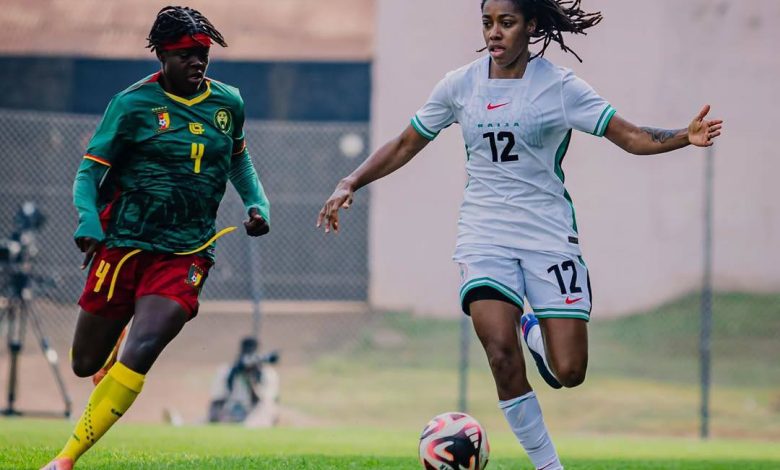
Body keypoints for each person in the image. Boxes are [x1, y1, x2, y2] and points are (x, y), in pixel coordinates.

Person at [317, 0, 723, 468]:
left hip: (548, 236)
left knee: (569, 372)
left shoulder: (559, 87)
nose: (495, 33)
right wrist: (351, 181)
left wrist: (682, 136)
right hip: (484, 232)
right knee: (500, 354)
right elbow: (408, 141)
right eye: (488, 22)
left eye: (506, 23)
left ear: (530, 26)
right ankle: (549, 466)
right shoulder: (460, 85)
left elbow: (629, 137)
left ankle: (534, 330)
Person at [42, 6, 270, 470]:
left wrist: (256, 203)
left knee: (144, 346)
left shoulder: (229, 104)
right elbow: (89, 174)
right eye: (186, 53)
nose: (197, 61)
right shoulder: (131, 105)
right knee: (85, 363)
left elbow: (238, 160)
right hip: (124, 246)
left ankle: (66, 458)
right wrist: (88, 221)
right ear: (163, 54)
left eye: (203, 52)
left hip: (187, 250)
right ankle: (119, 325)